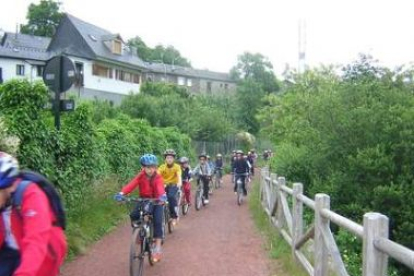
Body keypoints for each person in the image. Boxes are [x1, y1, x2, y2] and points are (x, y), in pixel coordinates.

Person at [0, 152, 67, 276]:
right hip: (9, 251)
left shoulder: (31, 194)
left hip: (41, 251)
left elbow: (36, 239)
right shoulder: (3, 200)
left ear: (6, 187)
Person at [114, 154, 166, 263]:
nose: (151, 170)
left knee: (157, 222)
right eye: (148, 167)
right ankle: (138, 231)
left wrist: (162, 196)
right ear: (143, 167)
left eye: (153, 167)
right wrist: (122, 193)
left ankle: (157, 247)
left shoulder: (157, 177)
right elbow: (131, 185)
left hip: (157, 201)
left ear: (156, 167)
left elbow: (159, 187)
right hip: (144, 199)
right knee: (133, 214)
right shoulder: (141, 176)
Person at [158, 149, 182, 226]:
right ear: (165, 159)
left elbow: (179, 175)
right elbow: (157, 175)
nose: (169, 159)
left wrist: (179, 182)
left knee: (171, 197)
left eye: (171, 158)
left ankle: (174, 216)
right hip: (163, 185)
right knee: (157, 198)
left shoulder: (177, 167)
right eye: (167, 158)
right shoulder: (162, 167)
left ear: (174, 159)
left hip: (173, 185)